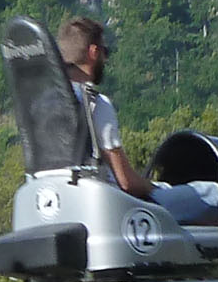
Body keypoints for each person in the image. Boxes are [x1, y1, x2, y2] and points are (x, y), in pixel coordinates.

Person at [57, 16, 152, 196]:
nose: (105, 59)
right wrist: (154, 187)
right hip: (107, 203)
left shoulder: (45, 103)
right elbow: (126, 183)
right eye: (104, 52)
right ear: (93, 52)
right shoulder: (95, 104)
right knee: (212, 192)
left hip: (61, 198)